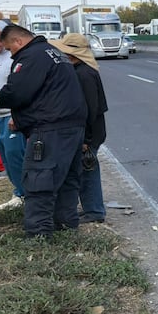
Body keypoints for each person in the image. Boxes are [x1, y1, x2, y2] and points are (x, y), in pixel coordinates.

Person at [0, 24, 87, 238]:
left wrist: (0, 98)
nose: (11, 55)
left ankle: (38, 234)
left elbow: (18, 92)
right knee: (66, 180)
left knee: (40, 181)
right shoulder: (54, 52)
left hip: (49, 130)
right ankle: (65, 226)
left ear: (18, 42)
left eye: (10, 49)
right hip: (71, 128)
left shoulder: (31, 56)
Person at [49, 34, 109, 224]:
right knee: (85, 169)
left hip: (89, 133)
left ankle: (95, 210)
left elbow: (90, 110)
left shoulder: (83, 74)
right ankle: (92, 208)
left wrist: (86, 140)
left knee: (88, 170)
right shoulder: (83, 70)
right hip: (89, 132)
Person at [0, 20, 27, 209]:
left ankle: (27, 194)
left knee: (16, 155)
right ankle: (19, 193)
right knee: (5, 160)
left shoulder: (13, 58)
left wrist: (16, 114)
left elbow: (20, 89)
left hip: (13, 116)